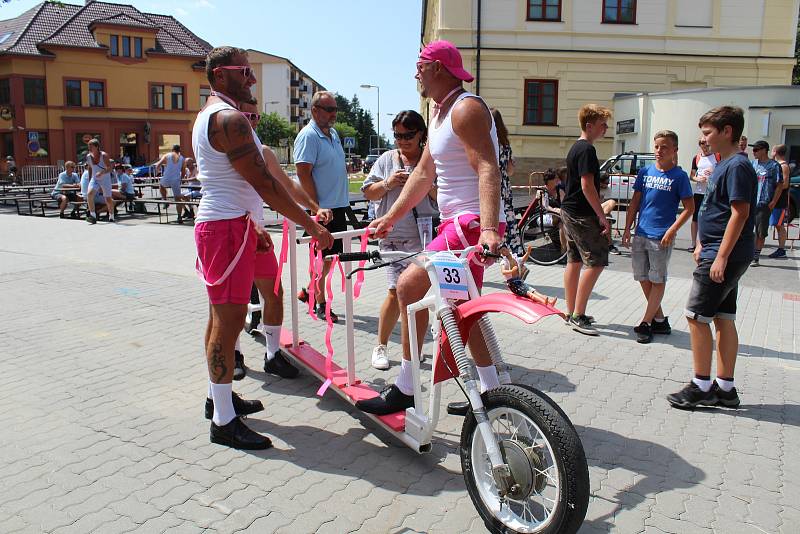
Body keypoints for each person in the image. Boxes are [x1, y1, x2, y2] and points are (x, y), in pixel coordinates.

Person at [193, 46, 333, 450]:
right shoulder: (228, 119)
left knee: (223, 318)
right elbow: (266, 186)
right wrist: (310, 225)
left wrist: (256, 224)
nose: (252, 78)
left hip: (232, 226)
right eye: (244, 72)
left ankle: (217, 399)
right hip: (224, 228)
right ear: (220, 75)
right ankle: (222, 421)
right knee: (228, 323)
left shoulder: (217, 114)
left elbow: (266, 183)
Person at [356, 40, 505, 416]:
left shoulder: (465, 108)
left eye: (420, 64)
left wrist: (488, 228)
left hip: (469, 224)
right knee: (460, 309)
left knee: (409, 286)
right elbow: (424, 174)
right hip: (457, 223)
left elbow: (488, 166)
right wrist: (389, 217)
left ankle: (408, 386)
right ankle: (491, 392)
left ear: (438, 67)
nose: (416, 72)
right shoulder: (439, 114)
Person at [231, 98, 333, 380]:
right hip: (232, 234)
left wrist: (314, 208)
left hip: (259, 236)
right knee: (235, 302)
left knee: (274, 294)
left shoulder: (264, 153)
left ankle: (273, 355)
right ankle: (234, 354)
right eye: (244, 116)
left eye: (254, 117)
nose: (250, 121)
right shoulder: (226, 152)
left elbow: (287, 186)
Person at [667, 106, 756, 409]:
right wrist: (701, 242)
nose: (703, 139)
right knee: (722, 317)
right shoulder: (723, 164)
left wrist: (719, 257)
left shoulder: (737, 166)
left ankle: (701, 385)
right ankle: (726, 389)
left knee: (696, 316)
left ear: (727, 131)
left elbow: (739, 213)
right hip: (718, 250)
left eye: (708, 132)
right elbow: (713, 210)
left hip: (724, 254)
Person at [361, 110, 438, 370]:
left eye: (408, 135)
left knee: (419, 298)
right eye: (397, 135)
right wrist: (388, 183)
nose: (402, 141)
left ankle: (413, 350)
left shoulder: (430, 161)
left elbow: (442, 200)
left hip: (423, 239)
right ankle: (380, 346)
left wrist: (426, 185)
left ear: (421, 135)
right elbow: (369, 193)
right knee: (395, 294)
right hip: (393, 239)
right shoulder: (386, 160)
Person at [621, 130, 694, 344]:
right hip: (641, 232)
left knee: (657, 278)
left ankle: (646, 322)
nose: (659, 151)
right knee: (643, 277)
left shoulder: (679, 176)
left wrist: (672, 230)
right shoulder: (645, 172)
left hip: (661, 236)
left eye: (664, 147)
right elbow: (635, 202)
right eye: (657, 147)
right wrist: (627, 228)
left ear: (674, 150)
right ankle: (660, 319)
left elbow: (689, 208)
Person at [294, 91, 351, 323]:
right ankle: (319, 303)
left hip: (338, 209)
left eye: (335, 109)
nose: (334, 114)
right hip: (323, 211)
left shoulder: (333, 133)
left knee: (330, 259)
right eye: (329, 109)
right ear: (315, 110)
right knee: (322, 261)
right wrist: (315, 208)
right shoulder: (308, 136)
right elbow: (302, 174)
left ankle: (308, 292)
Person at [561, 104, 612, 335]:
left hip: (569, 211)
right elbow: (587, 185)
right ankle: (578, 314)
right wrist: (601, 215)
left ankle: (571, 310)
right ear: (589, 126)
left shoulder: (575, 147)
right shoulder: (587, 150)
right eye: (603, 125)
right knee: (597, 261)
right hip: (581, 214)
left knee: (574, 261)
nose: (606, 129)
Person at [492, 108, 523, 257]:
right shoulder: (505, 144)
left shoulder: (488, 142)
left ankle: (496, 248)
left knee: (492, 216)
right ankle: (512, 251)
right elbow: (510, 170)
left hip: (491, 184)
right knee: (507, 216)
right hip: (504, 185)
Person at [749, 140, 782, 266]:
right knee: (747, 229)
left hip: (764, 203)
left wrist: (773, 201)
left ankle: (756, 257)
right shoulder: (752, 164)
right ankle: (749, 253)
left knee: (760, 231)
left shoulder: (774, 166)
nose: (754, 152)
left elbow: (779, 185)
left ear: (764, 150)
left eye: (756, 150)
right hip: (751, 202)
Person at [688, 138, 719, 251]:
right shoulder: (696, 158)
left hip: (713, 192)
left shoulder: (717, 156)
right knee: (695, 218)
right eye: (702, 143)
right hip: (699, 192)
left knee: (711, 218)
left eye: (706, 143)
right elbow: (691, 175)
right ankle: (693, 243)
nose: (705, 146)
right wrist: (697, 178)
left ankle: (707, 242)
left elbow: (723, 171)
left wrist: (713, 172)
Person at [155, 145, 190, 222]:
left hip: (166, 177)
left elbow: (158, 164)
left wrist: (158, 171)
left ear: (172, 149)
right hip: (176, 179)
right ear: (179, 150)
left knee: (161, 186)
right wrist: (181, 179)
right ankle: (179, 217)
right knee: (178, 199)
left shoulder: (167, 155)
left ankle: (165, 200)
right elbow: (183, 171)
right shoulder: (182, 158)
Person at [768, 144, 791, 259]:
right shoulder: (776, 164)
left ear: (776, 151)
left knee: (779, 225)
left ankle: (781, 249)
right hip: (773, 199)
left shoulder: (783, 166)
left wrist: (775, 188)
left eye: (772, 150)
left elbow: (785, 184)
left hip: (779, 200)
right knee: (777, 224)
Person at [85, 138, 115, 223]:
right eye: (88, 146)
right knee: (89, 194)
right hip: (95, 179)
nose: (89, 148)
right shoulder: (88, 156)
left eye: (91, 146)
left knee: (108, 199)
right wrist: (90, 179)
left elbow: (109, 168)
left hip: (105, 179)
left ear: (97, 146)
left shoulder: (104, 155)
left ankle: (111, 215)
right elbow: (90, 168)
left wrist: (102, 172)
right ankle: (93, 216)